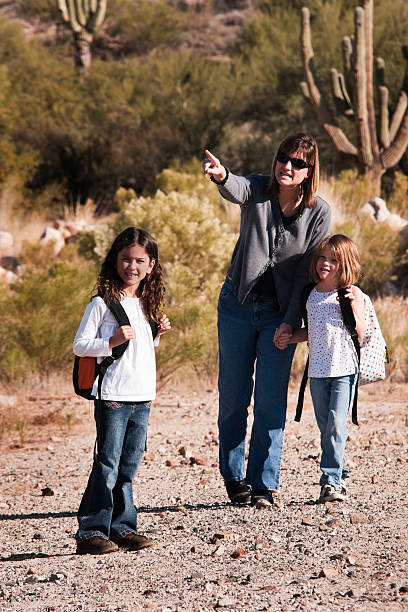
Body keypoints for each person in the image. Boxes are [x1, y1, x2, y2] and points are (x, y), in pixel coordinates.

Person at [203, 133, 331, 507]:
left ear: (309, 172)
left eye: (297, 163)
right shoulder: (258, 189)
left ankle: (263, 484)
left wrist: (291, 323)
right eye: (282, 158)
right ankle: (232, 476)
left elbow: (308, 275)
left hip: (280, 313)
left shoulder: (318, 212)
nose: (286, 167)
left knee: (271, 399)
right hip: (237, 306)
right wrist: (222, 175)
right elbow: (237, 188)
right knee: (233, 395)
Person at [73, 226, 171, 555]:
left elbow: (143, 347)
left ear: (151, 265)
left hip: (142, 395)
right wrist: (110, 341)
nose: (132, 266)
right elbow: (80, 345)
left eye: (140, 260)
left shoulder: (147, 302)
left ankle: (122, 527)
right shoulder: (102, 304)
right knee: (107, 463)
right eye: (126, 259)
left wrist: (156, 332)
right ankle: (91, 532)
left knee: (128, 466)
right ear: (115, 261)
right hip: (113, 395)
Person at [275, 234, 367, 503]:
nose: (326, 263)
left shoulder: (350, 293)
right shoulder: (311, 293)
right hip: (316, 372)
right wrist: (290, 337)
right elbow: (312, 331)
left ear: (346, 263)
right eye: (323, 258)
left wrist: (355, 306)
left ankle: (331, 482)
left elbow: (362, 332)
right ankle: (341, 470)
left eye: (334, 260)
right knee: (326, 428)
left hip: (343, 370)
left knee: (337, 426)